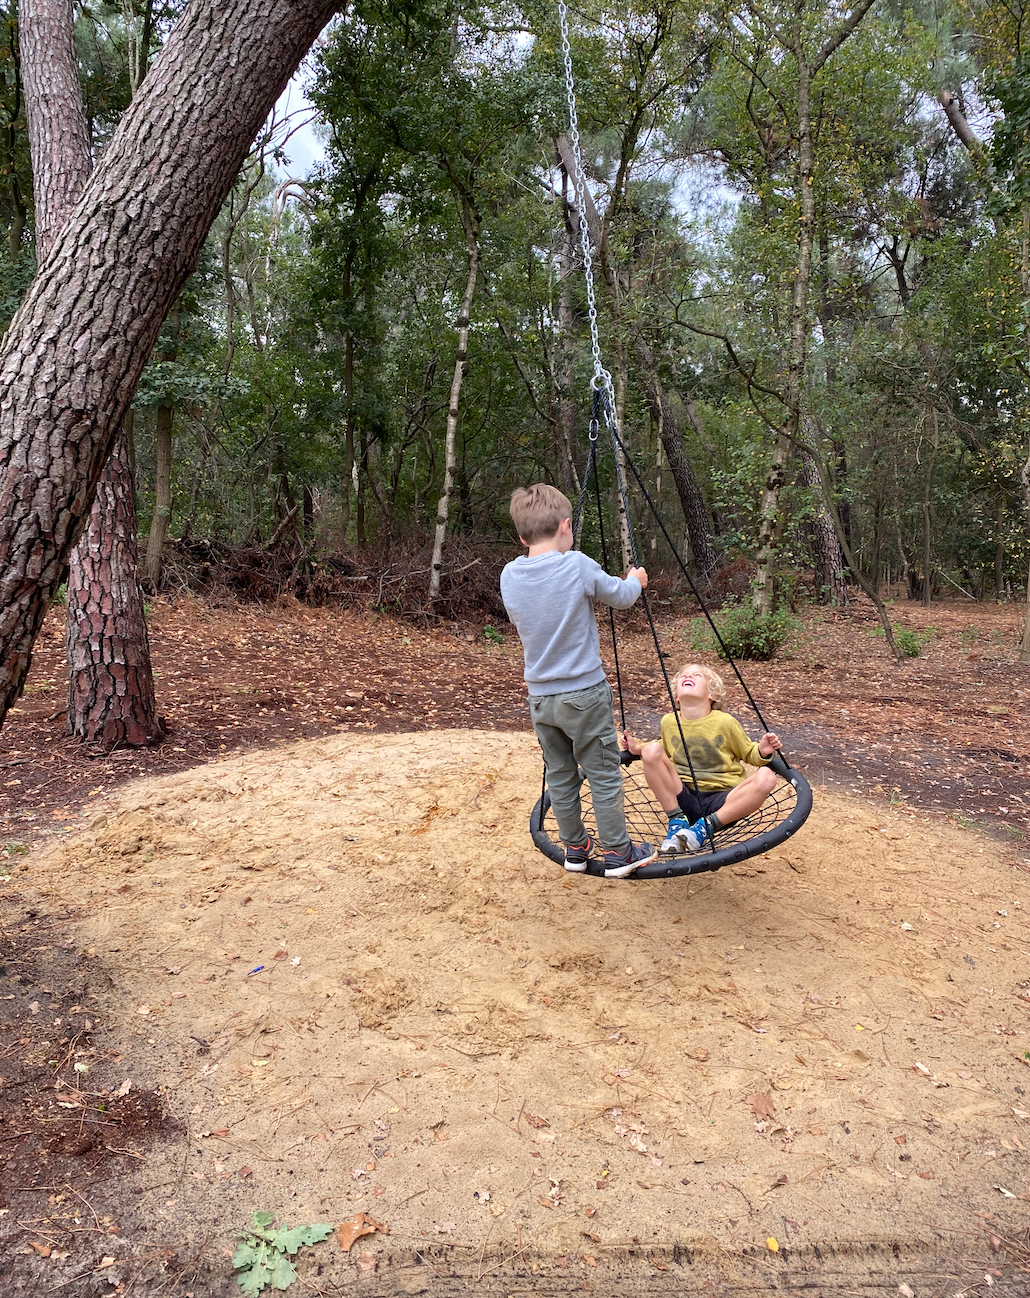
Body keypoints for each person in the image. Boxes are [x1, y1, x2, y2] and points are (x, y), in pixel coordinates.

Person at [500, 483, 654, 878]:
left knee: (562, 775)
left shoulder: (509, 575)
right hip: (583, 692)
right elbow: (620, 596)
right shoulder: (577, 564)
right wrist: (636, 579)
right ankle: (620, 852)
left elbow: (524, 619)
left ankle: (576, 847)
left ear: (521, 536)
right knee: (603, 772)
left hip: (540, 698)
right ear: (566, 525)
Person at [622, 662, 782, 853]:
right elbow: (660, 749)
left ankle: (704, 828)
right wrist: (638, 748)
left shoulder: (725, 722)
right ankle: (677, 821)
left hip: (723, 801)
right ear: (676, 697)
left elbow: (749, 753)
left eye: (697, 675)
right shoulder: (669, 721)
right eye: (683, 675)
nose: (688, 676)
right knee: (651, 750)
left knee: (767, 776)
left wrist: (763, 750)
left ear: (711, 695)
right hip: (682, 796)